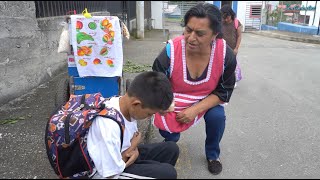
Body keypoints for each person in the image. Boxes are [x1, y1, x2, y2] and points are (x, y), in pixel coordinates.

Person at [152, 3, 237, 175]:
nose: (191, 38)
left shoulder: (225, 55)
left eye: (200, 34)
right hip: (173, 99)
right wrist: (167, 106)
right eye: (188, 30)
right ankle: (170, 143)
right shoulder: (170, 51)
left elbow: (224, 91)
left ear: (215, 35)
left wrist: (194, 110)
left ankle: (213, 155)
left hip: (206, 99)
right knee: (169, 131)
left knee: (217, 116)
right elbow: (157, 82)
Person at [87, 71, 179, 179]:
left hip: (123, 154)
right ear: (136, 104)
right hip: (107, 173)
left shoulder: (124, 103)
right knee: (168, 173)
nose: (149, 117)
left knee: (171, 149)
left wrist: (133, 150)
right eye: (149, 113)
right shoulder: (109, 126)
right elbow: (110, 174)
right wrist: (132, 148)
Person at [220, 4, 243, 88]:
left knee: (232, 66)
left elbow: (239, 36)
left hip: (232, 49)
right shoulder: (221, 22)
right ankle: (222, 81)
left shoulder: (236, 22)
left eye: (227, 17)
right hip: (222, 48)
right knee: (222, 66)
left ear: (231, 14)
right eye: (223, 17)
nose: (225, 19)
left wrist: (236, 48)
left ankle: (233, 81)